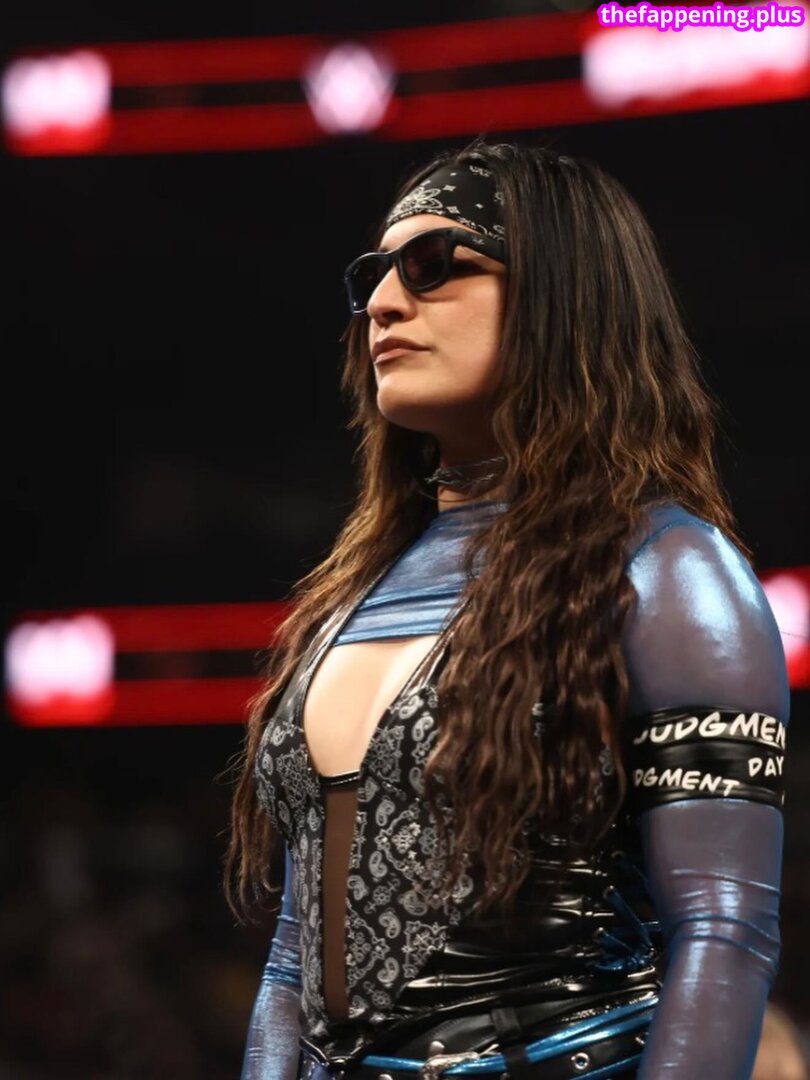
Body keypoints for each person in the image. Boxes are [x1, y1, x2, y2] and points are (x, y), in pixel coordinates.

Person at [225, 137, 790, 1080]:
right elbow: (292, 959)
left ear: (563, 294)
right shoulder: (350, 593)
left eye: (433, 264)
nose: (381, 302)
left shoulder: (670, 569)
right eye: (372, 276)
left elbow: (724, 935)